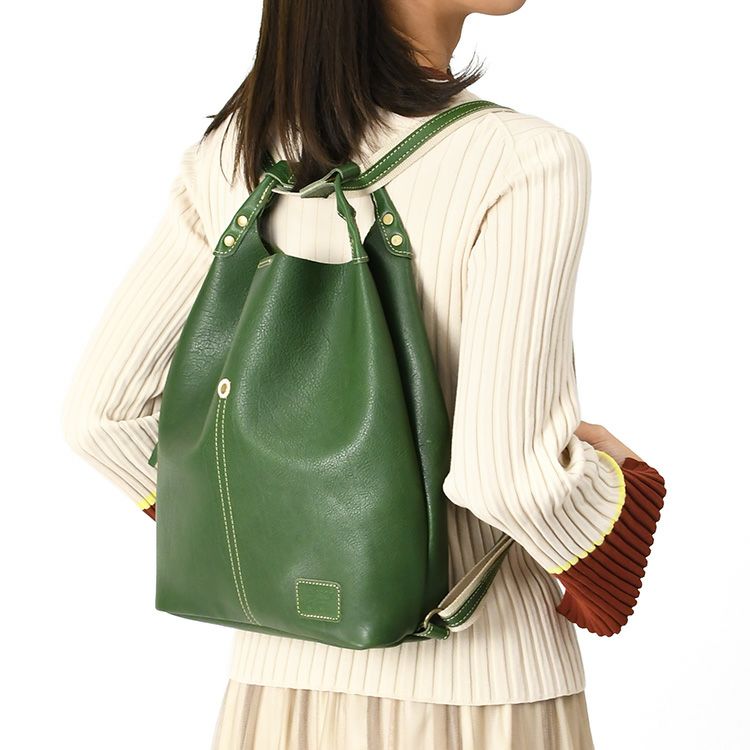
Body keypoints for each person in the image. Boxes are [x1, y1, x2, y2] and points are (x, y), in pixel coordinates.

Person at [61, 0, 667, 747]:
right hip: (477, 690)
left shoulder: (232, 158)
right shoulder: (523, 160)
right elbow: (506, 477)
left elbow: (101, 417)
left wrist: (286, 529)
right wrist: (622, 488)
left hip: (277, 695)